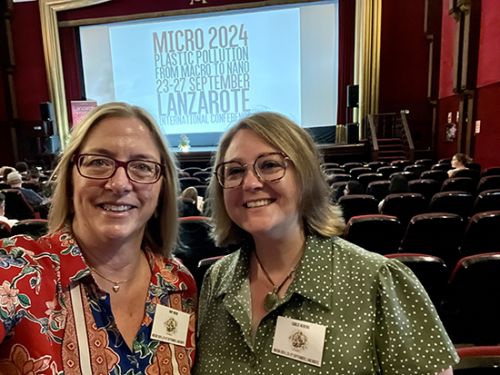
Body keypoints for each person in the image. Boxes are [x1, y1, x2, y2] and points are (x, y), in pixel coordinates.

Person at [194, 112, 458, 374]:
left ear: (305, 175)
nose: (250, 182)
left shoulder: (376, 281)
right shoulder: (215, 281)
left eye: (270, 165)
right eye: (235, 171)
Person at [0, 102, 197, 374]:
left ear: (162, 187)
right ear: (71, 178)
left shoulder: (178, 285)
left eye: (141, 166)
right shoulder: (15, 272)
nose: (119, 184)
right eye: (98, 162)